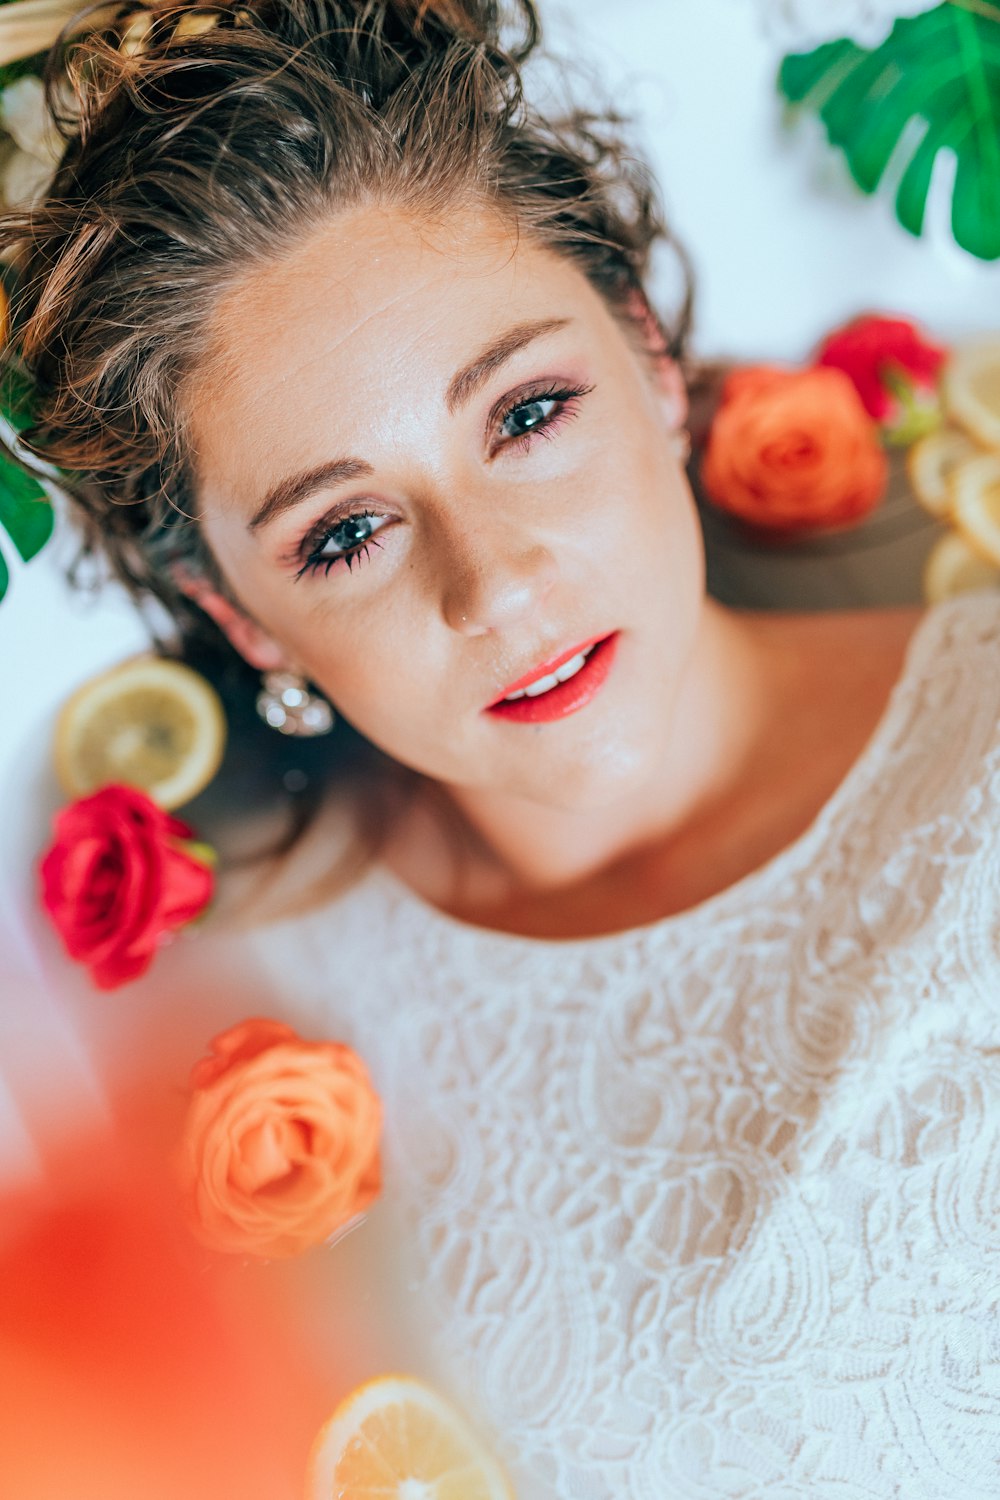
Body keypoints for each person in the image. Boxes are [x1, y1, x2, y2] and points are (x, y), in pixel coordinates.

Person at [7, 1, 1000, 1493]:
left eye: (529, 412)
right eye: (344, 532)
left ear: (654, 364)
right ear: (246, 617)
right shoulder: (235, 1021)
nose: (497, 587)